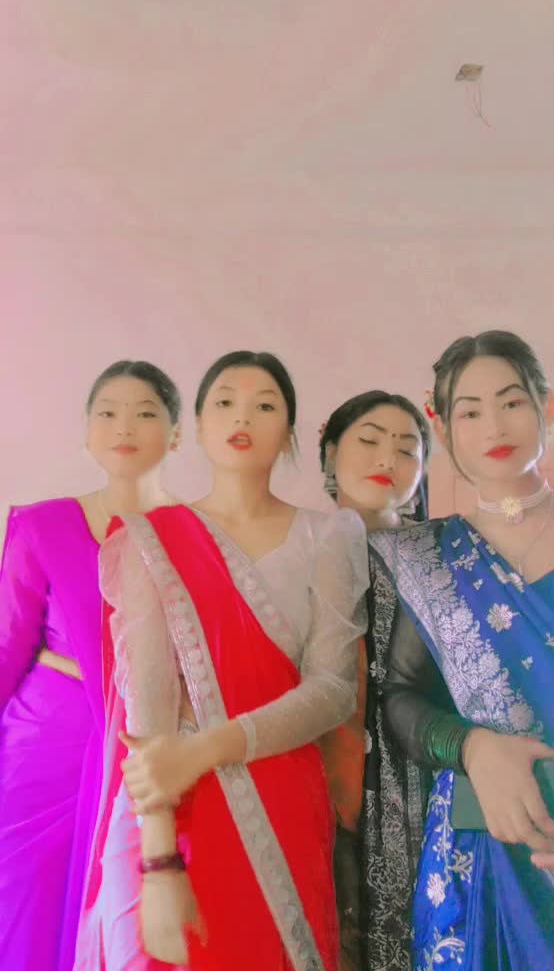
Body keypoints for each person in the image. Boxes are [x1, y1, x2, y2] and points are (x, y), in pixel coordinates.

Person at [75, 350, 369, 971]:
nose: (243, 417)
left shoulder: (328, 536)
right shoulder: (150, 538)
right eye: (225, 403)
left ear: (289, 433)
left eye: (265, 405)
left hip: (281, 792)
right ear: (199, 427)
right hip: (169, 811)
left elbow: (333, 690)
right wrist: (159, 861)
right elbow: (148, 711)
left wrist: (207, 748)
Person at [372, 331, 554, 970]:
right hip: (478, 854)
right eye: (469, 411)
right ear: (443, 428)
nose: (494, 425)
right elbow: (401, 696)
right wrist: (474, 747)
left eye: (512, 402)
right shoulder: (430, 557)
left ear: (546, 405)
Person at [0, 360, 181, 971]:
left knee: (123, 924)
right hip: (42, 751)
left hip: (149, 753)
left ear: (176, 434)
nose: (123, 425)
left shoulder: (199, 532)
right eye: (107, 412)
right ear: (86, 432)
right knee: (25, 914)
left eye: (145, 412)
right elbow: (7, 647)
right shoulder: (40, 525)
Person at [319, 391, 444, 971]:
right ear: (330, 453)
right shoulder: (298, 545)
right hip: (323, 770)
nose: (386, 458)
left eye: (407, 449)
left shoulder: (442, 555)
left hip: (423, 771)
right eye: (369, 440)